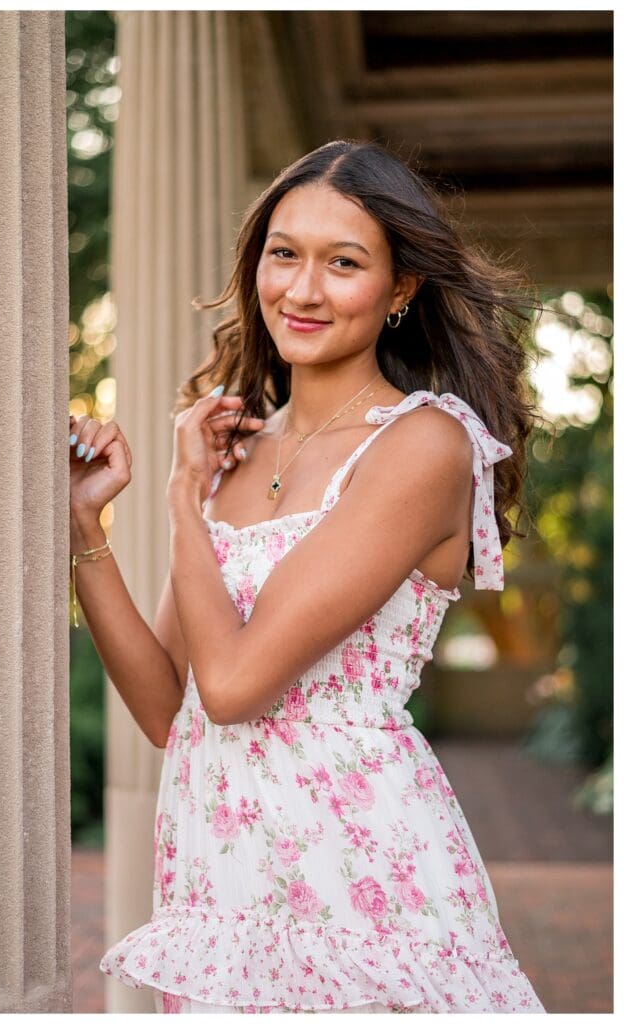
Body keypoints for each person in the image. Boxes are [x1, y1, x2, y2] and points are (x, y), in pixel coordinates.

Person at [72, 140, 546, 1012]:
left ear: (401, 288)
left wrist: (184, 497)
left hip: (359, 875)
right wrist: (83, 525)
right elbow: (165, 708)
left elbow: (236, 688)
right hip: (222, 869)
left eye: (344, 263)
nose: (302, 289)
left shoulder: (422, 446)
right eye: (284, 254)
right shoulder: (242, 449)